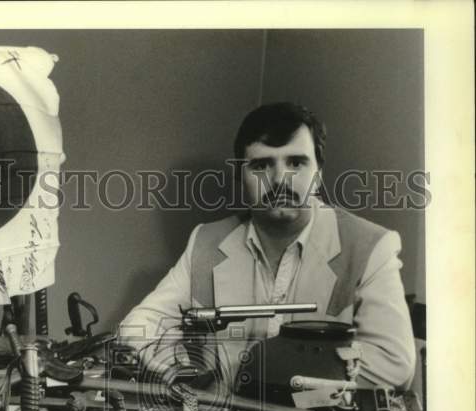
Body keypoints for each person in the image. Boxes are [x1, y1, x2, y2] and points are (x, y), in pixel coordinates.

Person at [119, 102, 416, 392]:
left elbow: (394, 364)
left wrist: (255, 373)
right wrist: (181, 366)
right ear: (240, 176)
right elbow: (136, 328)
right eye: (261, 165)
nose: (279, 180)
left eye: (296, 163)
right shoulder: (206, 242)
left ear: (319, 173)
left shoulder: (371, 246)